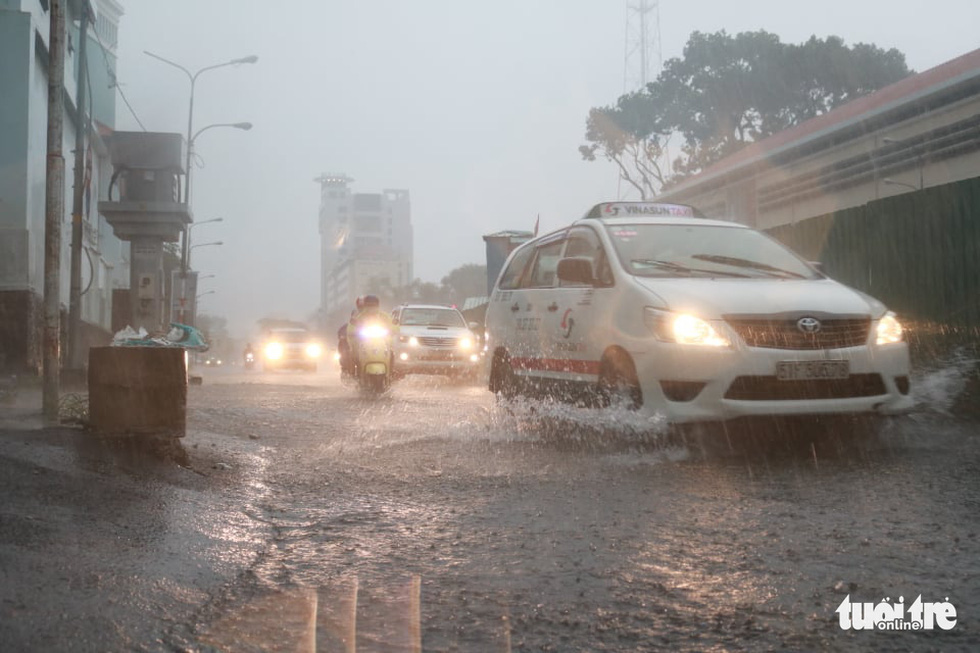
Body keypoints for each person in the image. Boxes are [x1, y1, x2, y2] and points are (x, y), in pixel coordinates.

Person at [346, 295, 395, 374]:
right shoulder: (359, 316)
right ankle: (357, 373)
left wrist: (393, 330)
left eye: (373, 305)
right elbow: (351, 327)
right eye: (369, 305)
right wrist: (353, 332)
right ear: (365, 306)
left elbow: (393, 325)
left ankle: (391, 373)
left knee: (391, 352)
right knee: (355, 354)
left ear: (378, 305)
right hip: (363, 341)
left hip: (382, 340)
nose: (371, 308)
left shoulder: (384, 316)